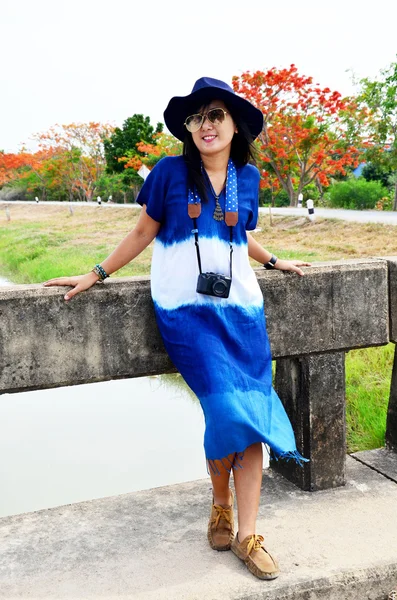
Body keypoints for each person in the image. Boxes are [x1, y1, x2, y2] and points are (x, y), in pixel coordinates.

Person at [43, 77, 311, 581]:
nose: (206, 125)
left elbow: (241, 236)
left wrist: (275, 260)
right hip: (186, 313)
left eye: (215, 115)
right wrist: (95, 273)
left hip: (243, 312)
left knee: (250, 418)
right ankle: (218, 498)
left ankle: (247, 534)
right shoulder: (169, 173)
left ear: (234, 126)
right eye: (197, 118)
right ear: (189, 129)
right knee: (226, 410)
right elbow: (144, 230)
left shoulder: (245, 177)